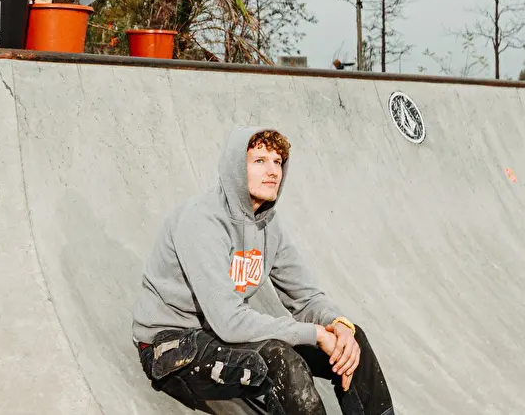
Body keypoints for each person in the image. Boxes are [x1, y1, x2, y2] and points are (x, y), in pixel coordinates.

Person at [132, 126, 395, 414]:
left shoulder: (269, 226)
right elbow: (230, 320)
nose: (272, 171)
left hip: (221, 336)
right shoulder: (202, 221)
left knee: (353, 341)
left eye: (277, 162)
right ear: (236, 167)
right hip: (174, 348)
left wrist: (339, 325)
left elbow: (306, 298)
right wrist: (317, 334)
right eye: (259, 161)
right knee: (281, 361)